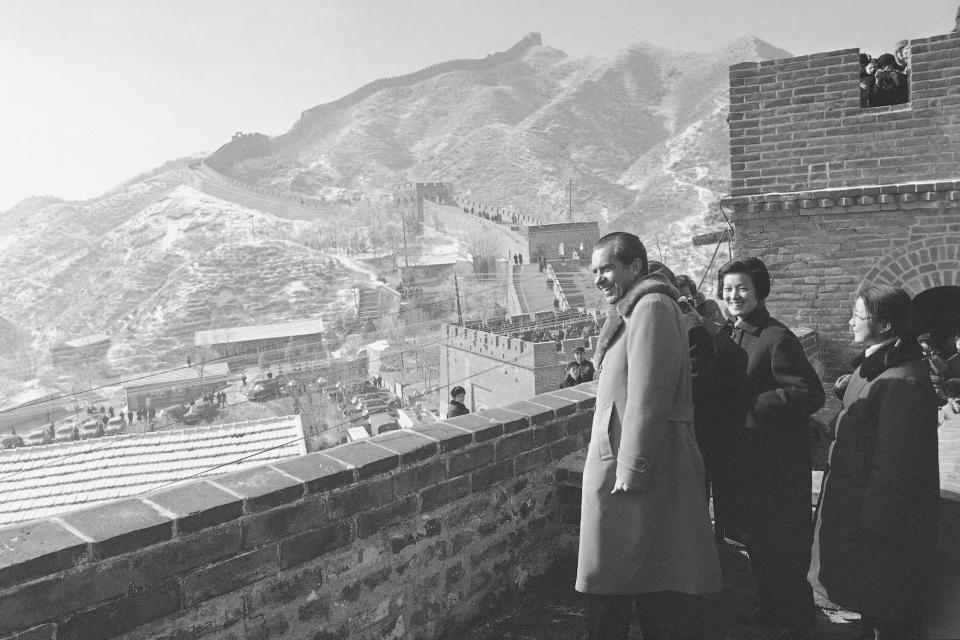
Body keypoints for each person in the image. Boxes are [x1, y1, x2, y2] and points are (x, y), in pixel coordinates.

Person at [576, 232, 721, 640]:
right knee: (635, 574)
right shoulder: (634, 309)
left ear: (635, 267)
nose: (599, 279)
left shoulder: (652, 306)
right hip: (624, 460)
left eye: (606, 268)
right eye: (595, 272)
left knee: (642, 573)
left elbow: (649, 394)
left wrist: (633, 465)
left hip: (643, 465)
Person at [809, 285, 939, 640]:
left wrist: (876, 530)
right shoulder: (877, 367)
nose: (850, 321)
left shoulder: (902, 381)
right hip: (857, 513)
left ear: (883, 325)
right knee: (871, 606)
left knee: (887, 609)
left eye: (857, 315)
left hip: (879, 527)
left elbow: (897, 467)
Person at [712, 257, 825, 638]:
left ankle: (796, 618)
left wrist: (752, 406)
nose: (734, 295)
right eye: (728, 289)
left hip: (776, 464)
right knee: (759, 542)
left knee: (784, 544)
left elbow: (809, 392)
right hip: (748, 462)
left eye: (742, 288)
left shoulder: (776, 336)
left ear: (760, 291)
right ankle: (769, 607)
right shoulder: (732, 333)